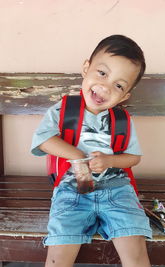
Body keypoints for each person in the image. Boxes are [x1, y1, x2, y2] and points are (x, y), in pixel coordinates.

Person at [31, 34, 152, 267]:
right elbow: (43, 140)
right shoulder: (64, 110)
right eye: (102, 73)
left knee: (135, 249)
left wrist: (109, 161)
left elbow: (133, 158)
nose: (106, 87)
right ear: (86, 67)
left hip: (117, 191)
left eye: (118, 85)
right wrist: (77, 155)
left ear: (125, 96)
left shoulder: (121, 120)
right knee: (58, 253)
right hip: (71, 190)